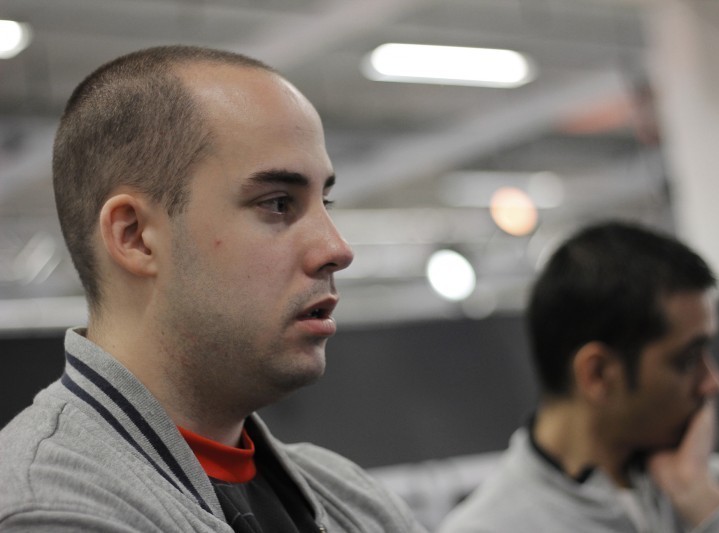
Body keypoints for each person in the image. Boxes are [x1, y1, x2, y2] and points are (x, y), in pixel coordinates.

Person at [0, 45, 425, 533]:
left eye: (324, 202)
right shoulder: (49, 510)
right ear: (135, 236)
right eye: (278, 203)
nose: (337, 249)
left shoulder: (350, 497)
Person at [438, 220, 719, 532]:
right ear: (598, 373)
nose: (713, 382)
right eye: (687, 360)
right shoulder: (488, 527)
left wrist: (702, 503)